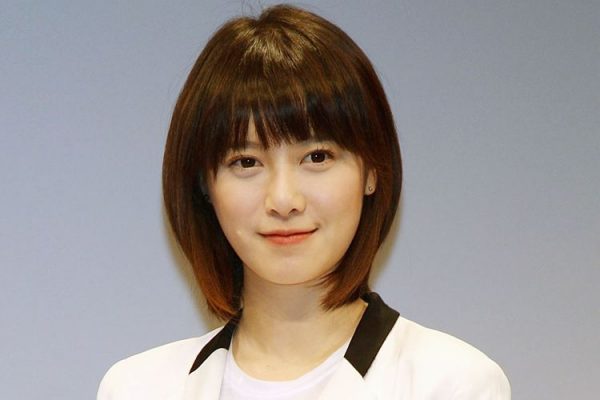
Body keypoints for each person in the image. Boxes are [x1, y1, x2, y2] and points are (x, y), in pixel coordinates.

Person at [97, 4, 510, 399]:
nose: (283, 200)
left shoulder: (451, 384)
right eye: (246, 162)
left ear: (372, 171)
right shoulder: (138, 388)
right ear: (204, 185)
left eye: (317, 157)